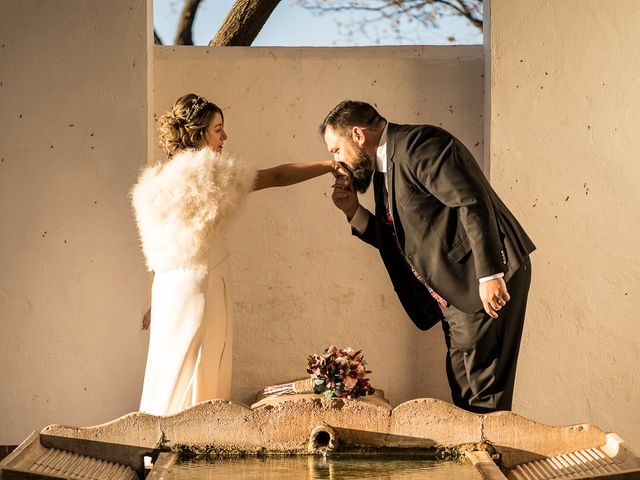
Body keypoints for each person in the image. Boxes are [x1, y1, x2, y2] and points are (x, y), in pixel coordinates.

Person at [323, 100, 535, 413]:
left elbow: (471, 202)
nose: (337, 161)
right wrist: (352, 211)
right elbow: (395, 236)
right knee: (465, 391)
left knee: (484, 392)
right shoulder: (385, 167)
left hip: (483, 277)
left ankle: (492, 458)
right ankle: (479, 457)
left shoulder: (420, 145)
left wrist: (490, 275)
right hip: (456, 292)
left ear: (357, 135)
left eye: (336, 149)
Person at [132, 93, 335, 416]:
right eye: (218, 129)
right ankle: (195, 437)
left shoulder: (155, 180)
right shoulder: (208, 171)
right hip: (204, 280)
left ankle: (156, 438)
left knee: (170, 364)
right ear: (198, 133)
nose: (224, 137)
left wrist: (155, 301)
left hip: (170, 288)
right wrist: (329, 165)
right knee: (203, 362)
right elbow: (274, 177)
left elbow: (161, 248)